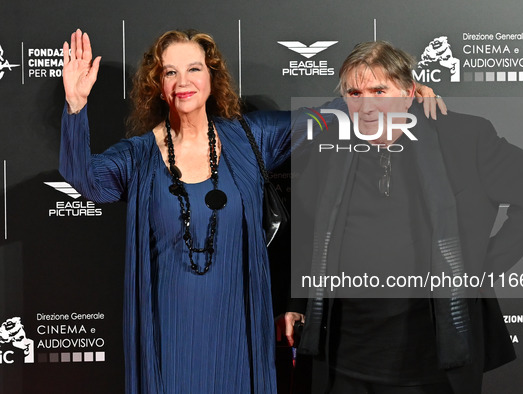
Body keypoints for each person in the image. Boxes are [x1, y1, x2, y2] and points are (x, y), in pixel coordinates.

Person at [60, 29, 441, 394]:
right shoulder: (138, 155)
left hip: (237, 322)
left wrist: (397, 96)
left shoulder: (250, 137)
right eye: (169, 72)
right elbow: (85, 178)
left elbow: (323, 118)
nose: (183, 81)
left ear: (212, 76)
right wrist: (76, 107)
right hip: (168, 327)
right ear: (156, 85)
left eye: (194, 68)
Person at [280, 41, 523, 393]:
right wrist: (295, 302)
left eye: (379, 90)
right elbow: (306, 230)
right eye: (354, 93)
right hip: (345, 351)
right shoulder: (329, 146)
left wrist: (480, 266)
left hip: (433, 353)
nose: (366, 105)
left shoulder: (463, 137)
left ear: (409, 92)